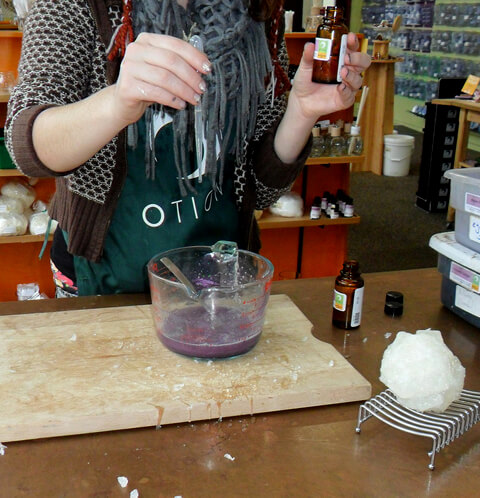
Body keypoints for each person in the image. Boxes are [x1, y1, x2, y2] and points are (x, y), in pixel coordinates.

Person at [6, 0, 370, 297]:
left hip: (221, 271)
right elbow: (28, 145)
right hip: (106, 273)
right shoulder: (80, 6)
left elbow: (261, 190)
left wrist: (302, 111)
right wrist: (117, 103)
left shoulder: (255, 14)